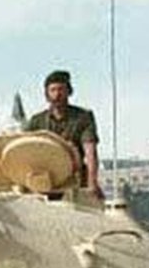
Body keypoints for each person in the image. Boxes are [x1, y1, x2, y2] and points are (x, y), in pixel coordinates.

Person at [24, 69, 101, 197]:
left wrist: (92, 183)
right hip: (44, 181)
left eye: (61, 89)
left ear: (68, 91)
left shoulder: (82, 117)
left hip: (74, 180)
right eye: (53, 90)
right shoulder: (37, 121)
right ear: (47, 94)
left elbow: (90, 151)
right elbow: (25, 151)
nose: (57, 94)